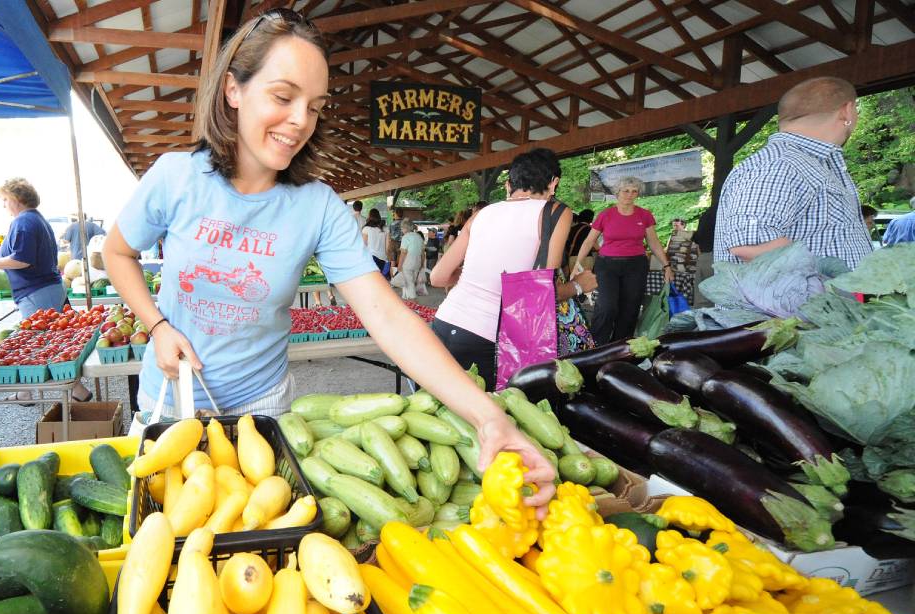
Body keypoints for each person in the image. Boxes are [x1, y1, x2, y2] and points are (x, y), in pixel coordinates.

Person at [101, 7, 554, 505]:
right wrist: (158, 325)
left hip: (263, 413)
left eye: (315, 106)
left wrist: (489, 416)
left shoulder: (318, 207)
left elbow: (387, 315)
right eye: (283, 96)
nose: (300, 121)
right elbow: (117, 252)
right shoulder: (176, 177)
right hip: (171, 400)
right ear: (233, 90)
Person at [430, 148, 598, 390]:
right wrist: (579, 284)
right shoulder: (556, 212)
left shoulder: (482, 214)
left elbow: (438, 277)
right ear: (554, 183)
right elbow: (541, 293)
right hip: (488, 338)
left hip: (444, 325)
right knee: (488, 418)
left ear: (509, 184)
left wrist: (475, 274)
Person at [714, 76, 872, 269]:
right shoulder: (779, 164)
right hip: (812, 300)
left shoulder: (800, 164)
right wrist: (826, 284)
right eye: (856, 109)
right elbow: (750, 245)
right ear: (846, 111)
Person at [0, 179, 91, 403]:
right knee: (51, 340)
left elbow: (22, 260)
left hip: (37, 291)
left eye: (5, 200)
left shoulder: (24, 222)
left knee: (39, 342)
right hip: (46, 288)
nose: (4, 205)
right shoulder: (36, 219)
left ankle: (52, 391)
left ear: (17, 199)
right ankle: (64, 390)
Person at [573, 176, 673, 345]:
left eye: (634, 191)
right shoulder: (605, 215)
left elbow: (654, 242)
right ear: (617, 193)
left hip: (636, 266)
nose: (629, 194)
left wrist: (667, 265)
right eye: (626, 191)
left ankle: (620, 347)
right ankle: (596, 345)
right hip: (607, 265)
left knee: (630, 309)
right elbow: (589, 241)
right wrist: (577, 263)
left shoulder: (645, 215)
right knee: (607, 306)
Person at [390, 219, 427, 300]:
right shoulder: (418, 237)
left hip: (408, 262)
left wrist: (399, 265)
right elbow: (422, 253)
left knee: (409, 284)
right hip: (417, 262)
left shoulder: (405, 237)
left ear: (406, 228)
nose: (401, 230)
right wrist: (422, 264)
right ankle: (409, 302)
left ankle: (414, 303)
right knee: (411, 283)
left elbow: (403, 253)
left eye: (402, 228)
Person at [361, 209, 389, 274]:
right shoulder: (385, 228)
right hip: (382, 258)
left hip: (370, 258)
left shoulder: (366, 229)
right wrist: (387, 259)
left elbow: (363, 245)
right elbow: (387, 246)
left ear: (369, 216)